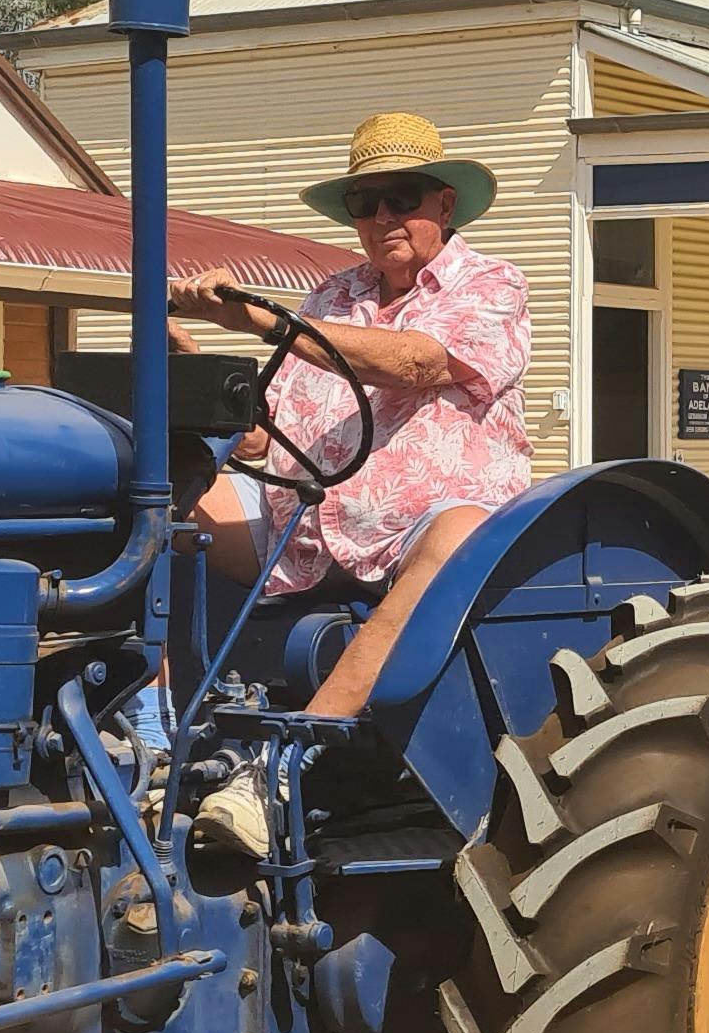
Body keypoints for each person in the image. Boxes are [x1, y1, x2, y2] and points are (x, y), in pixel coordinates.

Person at [166, 109, 531, 723]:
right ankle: (150, 718)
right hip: (304, 517)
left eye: (401, 196)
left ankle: (301, 750)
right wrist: (203, 377)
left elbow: (416, 364)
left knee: (462, 533)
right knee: (161, 505)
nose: (383, 216)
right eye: (366, 201)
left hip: (420, 525)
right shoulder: (331, 296)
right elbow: (262, 439)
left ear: (444, 205)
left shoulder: (493, 285)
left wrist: (266, 320)